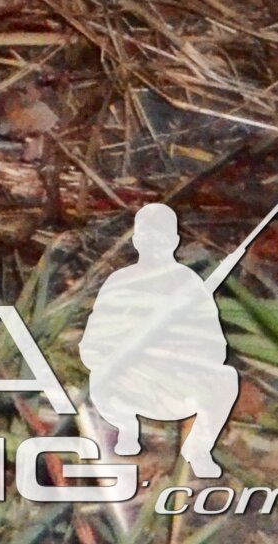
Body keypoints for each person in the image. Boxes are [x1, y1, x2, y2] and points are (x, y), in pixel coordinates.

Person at [77, 203, 241, 478]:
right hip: (128, 382)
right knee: (100, 377)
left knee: (226, 378)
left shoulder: (189, 282)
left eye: (162, 236)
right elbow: (92, 342)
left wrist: (181, 352)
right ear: (137, 240)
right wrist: (120, 351)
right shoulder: (120, 282)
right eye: (147, 236)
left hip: (176, 383)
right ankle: (127, 430)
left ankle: (198, 449)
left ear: (175, 241)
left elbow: (215, 346)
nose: (154, 244)